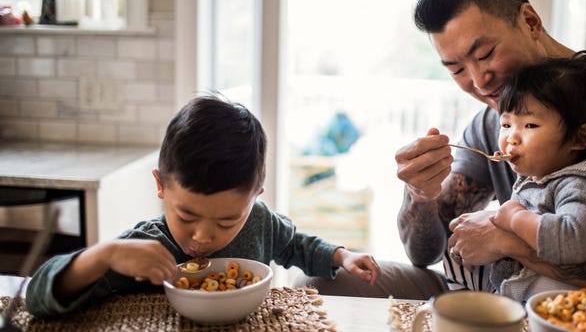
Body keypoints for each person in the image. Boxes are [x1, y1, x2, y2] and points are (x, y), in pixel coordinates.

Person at [296, 0, 586, 309]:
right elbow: (425, 252)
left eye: (485, 54)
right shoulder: (492, 122)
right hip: (503, 295)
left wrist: (508, 238)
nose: (479, 82)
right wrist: (420, 194)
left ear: (530, 20)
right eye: (456, 69)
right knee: (319, 282)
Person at [25, 94, 381, 318]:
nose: (203, 236)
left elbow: (296, 245)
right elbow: (37, 298)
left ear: (257, 194)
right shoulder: (144, 247)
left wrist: (342, 256)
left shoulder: (260, 222)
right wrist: (103, 256)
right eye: (186, 216)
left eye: (227, 222)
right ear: (160, 185)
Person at [455, 55, 586, 303]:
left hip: (561, 302)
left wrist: (516, 218)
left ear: (579, 139)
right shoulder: (541, 177)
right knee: (453, 256)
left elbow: (574, 239)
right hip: (521, 286)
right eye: (506, 125)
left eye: (529, 125)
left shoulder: (580, 183)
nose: (511, 138)